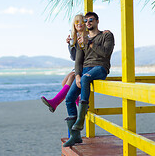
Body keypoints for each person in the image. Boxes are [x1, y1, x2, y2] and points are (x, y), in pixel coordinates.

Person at [63, 12, 115, 147]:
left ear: (97, 21)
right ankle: (75, 136)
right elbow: (78, 61)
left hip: (100, 68)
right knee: (69, 98)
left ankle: (80, 120)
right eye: (86, 20)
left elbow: (105, 54)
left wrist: (90, 43)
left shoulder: (106, 35)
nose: (87, 23)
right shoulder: (82, 39)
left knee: (86, 79)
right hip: (85, 70)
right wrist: (78, 75)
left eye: (91, 20)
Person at [41, 14, 88, 113]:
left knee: (71, 78)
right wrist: (70, 46)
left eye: (81, 22)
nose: (79, 24)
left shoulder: (88, 36)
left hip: (87, 66)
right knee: (64, 83)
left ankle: (55, 102)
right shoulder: (75, 37)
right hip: (78, 66)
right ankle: (78, 103)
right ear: (74, 25)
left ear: (85, 23)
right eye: (76, 22)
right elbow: (73, 57)